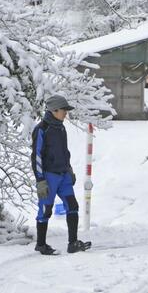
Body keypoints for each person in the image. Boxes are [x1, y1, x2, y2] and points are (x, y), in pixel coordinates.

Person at [31, 95, 92, 255]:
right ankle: (41, 244)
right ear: (54, 110)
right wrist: (40, 180)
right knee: (46, 210)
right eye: (64, 110)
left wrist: (69, 169)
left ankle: (73, 243)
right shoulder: (42, 129)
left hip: (63, 174)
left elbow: (64, 152)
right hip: (49, 176)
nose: (66, 113)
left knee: (73, 206)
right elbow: (36, 156)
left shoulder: (61, 127)